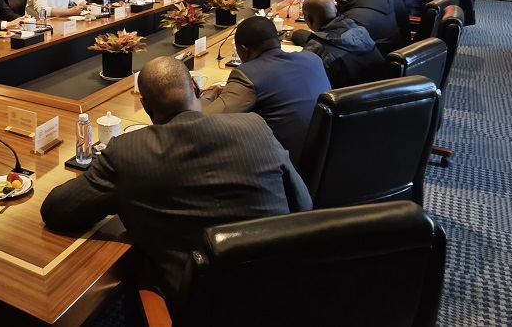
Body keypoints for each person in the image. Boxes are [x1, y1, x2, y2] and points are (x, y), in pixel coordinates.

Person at [40, 57, 312, 312]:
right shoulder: (255, 127)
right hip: (288, 296)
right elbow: (304, 205)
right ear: (196, 87)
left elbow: (57, 210)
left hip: (201, 310)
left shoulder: (127, 153)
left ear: (146, 107)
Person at [200, 16, 329, 160]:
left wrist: (207, 97)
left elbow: (203, 122)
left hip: (282, 164)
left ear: (244, 51)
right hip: (324, 158)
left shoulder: (249, 75)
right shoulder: (313, 59)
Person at [294, 0, 384, 87]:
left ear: (308, 18)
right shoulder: (359, 30)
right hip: (377, 90)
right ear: (335, 10)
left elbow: (299, 79)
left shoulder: (318, 49)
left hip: (342, 94)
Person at [331, 0, 404, 56]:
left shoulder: (353, 18)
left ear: (344, 2)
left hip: (381, 56)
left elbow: (345, 43)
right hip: (394, 46)